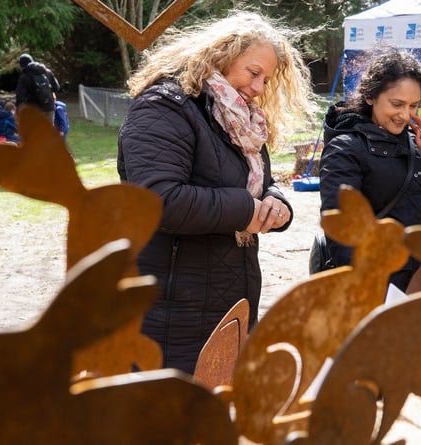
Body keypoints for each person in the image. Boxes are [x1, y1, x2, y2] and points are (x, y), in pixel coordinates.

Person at [117, 11, 317, 374]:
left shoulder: (242, 119)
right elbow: (157, 201)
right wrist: (246, 210)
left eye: (266, 79)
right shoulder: (165, 107)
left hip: (227, 296)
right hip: (171, 307)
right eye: (253, 73)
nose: (258, 88)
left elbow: (256, 181)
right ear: (220, 55)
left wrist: (276, 202)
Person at [319, 46, 421, 293]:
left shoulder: (420, 145)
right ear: (370, 96)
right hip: (379, 289)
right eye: (397, 104)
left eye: (413, 106)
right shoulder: (346, 148)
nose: (405, 115)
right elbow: (341, 233)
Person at [15, 53, 61, 123]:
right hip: (49, 107)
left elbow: (20, 96)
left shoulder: (25, 76)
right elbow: (57, 87)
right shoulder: (47, 72)